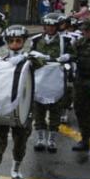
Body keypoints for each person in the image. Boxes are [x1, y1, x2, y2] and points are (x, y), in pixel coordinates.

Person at [0, 26, 43, 179]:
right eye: (11, 41)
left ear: (24, 41)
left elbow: (42, 61)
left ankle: (16, 171)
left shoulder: (30, 58)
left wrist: (27, 59)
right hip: (3, 104)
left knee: (20, 141)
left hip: (23, 106)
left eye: (19, 41)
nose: (15, 44)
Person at [28, 15, 71, 152]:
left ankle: (52, 140)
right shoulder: (36, 41)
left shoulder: (65, 41)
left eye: (53, 26)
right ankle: (40, 138)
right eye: (48, 25)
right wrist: (40, 58)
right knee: (38, 111)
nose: (50, 28)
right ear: (44, 26)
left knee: (55, 112)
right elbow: (30, 58)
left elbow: (73, 56)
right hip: (40, 81)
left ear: (57, 26)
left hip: (56, 81)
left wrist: (67, 57)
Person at [70, 17, 90, 156]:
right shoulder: (80, 42)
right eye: (84, 30)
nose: (85, 32)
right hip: (81, 82)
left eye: (88, 30)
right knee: (81, 111)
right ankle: (85, 140)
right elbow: (71, 56)